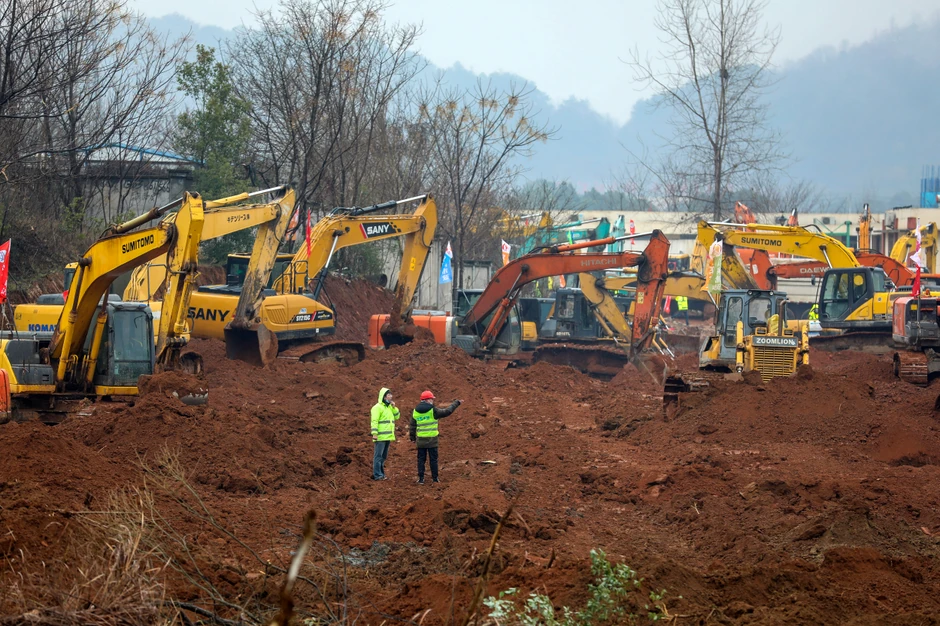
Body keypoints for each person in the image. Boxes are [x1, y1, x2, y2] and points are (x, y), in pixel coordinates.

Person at [409, 390, 462, 485]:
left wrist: (412, 437)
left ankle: (421, 479)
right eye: (432, 399)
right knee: (433, 460)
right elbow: (447, 411)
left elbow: (412, 426)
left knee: (421, 460)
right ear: (428, 400)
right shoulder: (433, 410)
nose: (433, 401)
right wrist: (456, 403)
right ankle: (435, 478)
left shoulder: (415, 411)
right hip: (432, 440)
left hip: (421, 441)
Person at [371, 387, 400, 481]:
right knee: (378, 456)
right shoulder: (377, 408)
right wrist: (374, 433)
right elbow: (374, 421)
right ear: (384, 397)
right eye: (388, 395)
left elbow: (397, 417)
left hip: (387, 436)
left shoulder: (389, 408)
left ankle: (381, 474)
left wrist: (394, 408)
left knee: (383, 457)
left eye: (391, 395)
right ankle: (377, 475)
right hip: (380, 436)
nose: (391, 396)